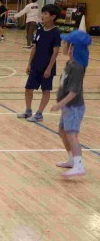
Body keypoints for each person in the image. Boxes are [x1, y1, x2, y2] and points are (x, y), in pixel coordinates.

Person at [50, 29, 92, 177]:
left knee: (71, 134)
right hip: (68, 106)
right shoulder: (70, 63)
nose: (63, 45)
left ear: (73, 47)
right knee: (62, 131)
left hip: (73, 107)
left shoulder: (77, 68)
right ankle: (72, 159)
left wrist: (60, 104)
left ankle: (79, 165)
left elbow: (74, 91)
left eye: (66, 43)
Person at [17, 4, 62, 123]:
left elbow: (55, 52)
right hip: (35, 65)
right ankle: (28, 111)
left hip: (47, 67)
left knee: (45, 90)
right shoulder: (40, 30)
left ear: (53, 16)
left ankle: (39, 114)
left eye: (45, 14)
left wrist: (49, 68)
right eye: (42, 13)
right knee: (28, 88)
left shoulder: (56, 32)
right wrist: (29, 63)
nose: (42, 16)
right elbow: (34, 48)